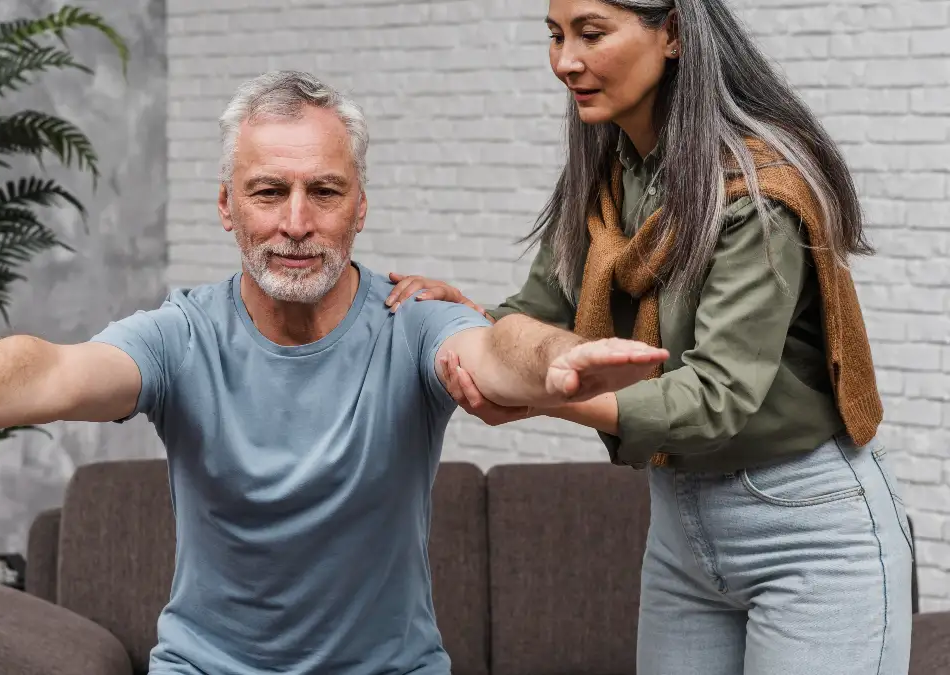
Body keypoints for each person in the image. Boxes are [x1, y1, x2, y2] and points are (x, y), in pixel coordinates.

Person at [0, 70, 667, 675]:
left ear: (360, 207)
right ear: (226, 207)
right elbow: (53, 370)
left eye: (324, 192)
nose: (295, 221)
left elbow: (494, 350)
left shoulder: (412, 318)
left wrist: (557, 359)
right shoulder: (181, 336)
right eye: (266, 191)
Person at [388, 1, 913, 674]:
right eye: (554, 35)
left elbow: (717, 395)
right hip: (681, 530)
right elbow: (539, 311)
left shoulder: (756, 191)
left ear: (672, 32)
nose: (564, 60)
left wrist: (549, 393)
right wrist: (472, 325)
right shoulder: (606, 185)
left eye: (591, 33)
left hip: (807, 531)